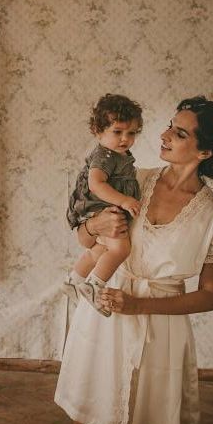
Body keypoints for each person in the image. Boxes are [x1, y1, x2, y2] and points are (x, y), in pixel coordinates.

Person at [55, 96, 213, 424]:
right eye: (171, 125)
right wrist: (94, 226)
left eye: (181, 134)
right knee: (88, 411)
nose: (165, 135)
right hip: (105, 309)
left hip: (161, 327)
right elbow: (85, 240)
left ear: (205, 153)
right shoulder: (132, 181)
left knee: (150, 418)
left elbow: (210, 296)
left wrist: (139, 304)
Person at [65, 94, 143, 315]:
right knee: (121, 248)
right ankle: (93, 286)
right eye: (117, 132)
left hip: (101, 208)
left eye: (131, 133)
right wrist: (125, 200)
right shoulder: (105, 156)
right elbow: (96, 184)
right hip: (99, 207)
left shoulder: (119, 154)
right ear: (98, 132)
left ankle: (73, 281)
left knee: (100, 249)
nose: (124, 139)